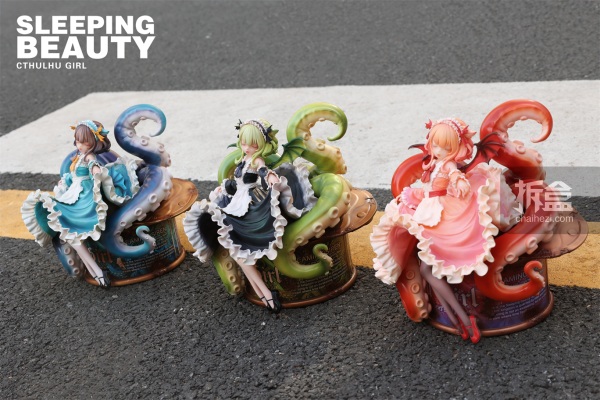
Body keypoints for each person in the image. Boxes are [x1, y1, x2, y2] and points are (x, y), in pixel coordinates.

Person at [371, 118, 522, 343]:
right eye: (435, 144)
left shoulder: (448, 165)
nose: (439, 150)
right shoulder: (435, 162)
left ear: (456, 147)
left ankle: (462, 319)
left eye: (446, 147)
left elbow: (454, 175)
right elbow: (431, 188)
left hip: (442, 214)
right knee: (427, 270)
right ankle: (458, 319)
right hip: (431, 207)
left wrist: (459, 182)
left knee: (428, 269)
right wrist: (414, 196)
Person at [184, 118, 317, 313]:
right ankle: (265, 294)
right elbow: (238, 183)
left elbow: (263, 171)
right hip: (237, 201)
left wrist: (269, 176)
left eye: (252, 144)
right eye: (243, 142)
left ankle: (265, 294)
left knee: (238, 249)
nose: (247, 148)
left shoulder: (256, 160)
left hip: (250, 205)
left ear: (261, 143)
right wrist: (226, 187)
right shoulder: (243, 159)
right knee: (234, 250)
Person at [21, 120, 140, 288]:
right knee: (68, 233)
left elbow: (94, 166)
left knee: (71, 230)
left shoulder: (90, 157)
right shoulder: (79, 157)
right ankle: (96, 272)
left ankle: (97, 272)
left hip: (84, 197)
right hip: (74, 193)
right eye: (78, 141)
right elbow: (75, 175)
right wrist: (65, 181)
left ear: (93, 142)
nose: (80, 145)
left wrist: (96, 171)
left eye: (85, 142)